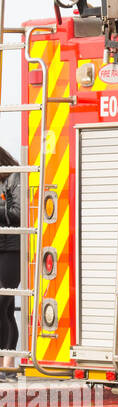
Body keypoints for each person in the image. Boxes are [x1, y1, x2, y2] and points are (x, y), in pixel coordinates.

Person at [0, 146, 20, 379]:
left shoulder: (14, 176)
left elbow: (18, 213)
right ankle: (9, 364)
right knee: (5, 308)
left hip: (12, 249)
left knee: (1, 302)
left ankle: (6, 361)